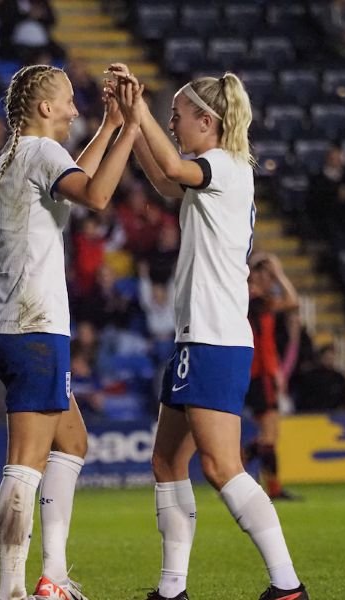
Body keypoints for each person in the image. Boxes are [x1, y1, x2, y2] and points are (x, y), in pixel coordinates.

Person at [108, 64, 309, 600]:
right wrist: (134, 119)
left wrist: (141, 111)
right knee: (167, 461)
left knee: (222, 467)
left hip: (214, 338)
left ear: (207, 119)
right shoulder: (216, 169)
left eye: (177, 116)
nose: (173, 124)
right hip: (199, 337)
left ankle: (287, 587)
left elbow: (171, 164)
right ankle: (172, 590)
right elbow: (163, 176)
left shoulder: (223, 163)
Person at [0, 64, 141, 600]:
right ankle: (12, 589)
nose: (76, 109)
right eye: (69, 101)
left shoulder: (13, 155)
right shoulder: (42, 154)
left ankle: (53, 576)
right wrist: (132, 131)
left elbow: (73, 178)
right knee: (25, 462)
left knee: (72, 440)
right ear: (44, 108)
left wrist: (109, 129)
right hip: (33, 326)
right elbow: (96, 195)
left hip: (12, 324)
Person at [245, 253, 299, 501]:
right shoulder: (253, 303)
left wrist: (277, 370)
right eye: (265, 276)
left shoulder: (259, 302)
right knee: (269, 433)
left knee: (270, 435)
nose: (270, 281)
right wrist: (279, 274)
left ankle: (237, 465)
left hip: (265, 373)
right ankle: (237, 469)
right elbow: (292, 301)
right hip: (259, 374)